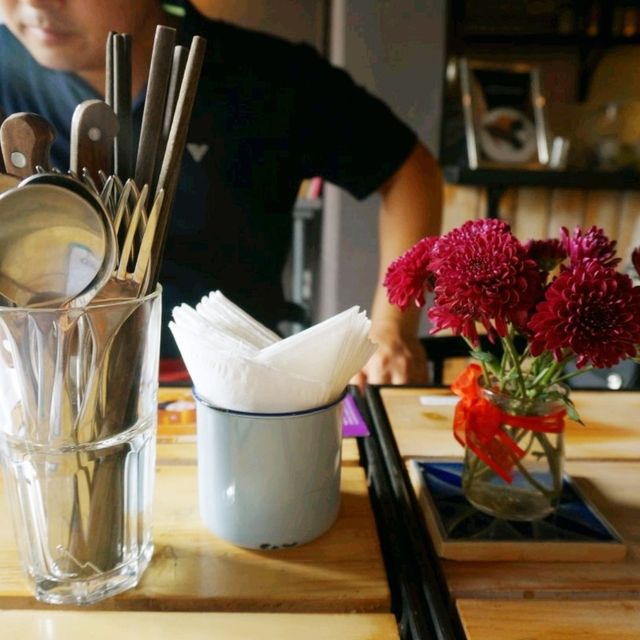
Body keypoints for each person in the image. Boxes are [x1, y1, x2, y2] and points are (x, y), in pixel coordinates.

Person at [0, 0, 442, 385]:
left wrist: (391, 329)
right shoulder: (6, 70)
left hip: (240, 383)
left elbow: (408, 172)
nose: (36, 1)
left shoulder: (269, 77)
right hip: (51, 388)